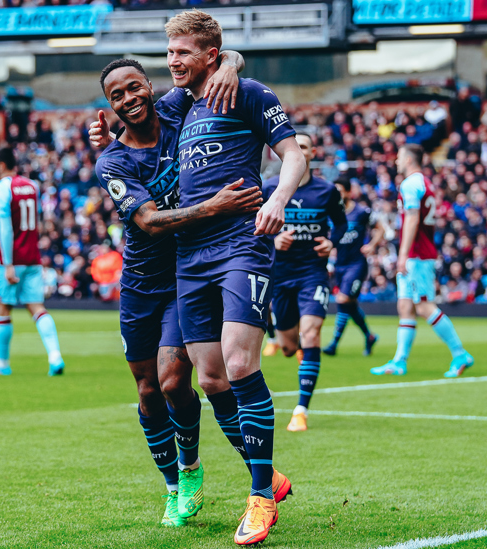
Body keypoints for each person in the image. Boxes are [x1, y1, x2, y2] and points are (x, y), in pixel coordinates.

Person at [91, 56, 273, 527]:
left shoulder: (177, 110)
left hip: (184, 275)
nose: (129, 99)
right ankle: (175, 483)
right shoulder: (113, 159)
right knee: (148, 390)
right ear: (109, 106)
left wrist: (232, 63)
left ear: (148, 86)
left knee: (175, 380)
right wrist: (213, 206)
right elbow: (148, 223)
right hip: (140, 283)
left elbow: (210, 60)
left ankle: (198, 470)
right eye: (117, 96)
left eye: (134, 87)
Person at [164, 10, 306, 545]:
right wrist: (104, 124)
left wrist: (278, 198)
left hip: (241, 243)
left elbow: (291, 155)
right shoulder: (179, 105)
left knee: (242, 361)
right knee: (210, 378)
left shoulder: (247, 93)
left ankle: (260, 499)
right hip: (189, 253)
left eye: (183, 53)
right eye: (170, 51)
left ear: (210, 55)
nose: (173, 61)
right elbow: (135, 110)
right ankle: (270, 475)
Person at [262, 133, 347, 433]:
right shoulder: (269, 188)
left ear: (312, 154)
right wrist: (274, 238)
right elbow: (252, 226)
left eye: (305, 147)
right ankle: (295, 350)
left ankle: (301, 410)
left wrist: (331, 242)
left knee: (311, 334)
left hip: (313, 272)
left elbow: (342, 224)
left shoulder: (326, 191)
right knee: (287, 346)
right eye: (293, 145)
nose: (298, 150)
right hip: (280, 275)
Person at [372, 144, 474, 378]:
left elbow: (412, 219)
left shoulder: (410, 184)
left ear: (408, 159)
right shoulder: (426, 183)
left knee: (424, 306)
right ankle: (399, 361)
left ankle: (460, 354)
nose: (396, 161)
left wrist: (403, 254)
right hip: (419, 253)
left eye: (399, 157)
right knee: (405, 307)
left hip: (417, 255)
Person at [0, 146, 64, 377]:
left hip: (11, 259)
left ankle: (1, 364)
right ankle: (55, 356)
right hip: (32, 257)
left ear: (2, 165)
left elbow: (5, 228)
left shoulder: (1, 188)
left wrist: (8, 263)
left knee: (2, 309)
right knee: (37, 307)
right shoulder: (31, 185)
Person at [323, 178, 378, 357]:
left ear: (348, 192)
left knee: (342, 299)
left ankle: (333, 344)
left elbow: (381, 227)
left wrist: (372, 245)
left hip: (357, 264)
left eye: (340, 191)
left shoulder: (362, 212)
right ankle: (369, 336)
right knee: (351, 306)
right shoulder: (333, 213)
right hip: (340, 265)